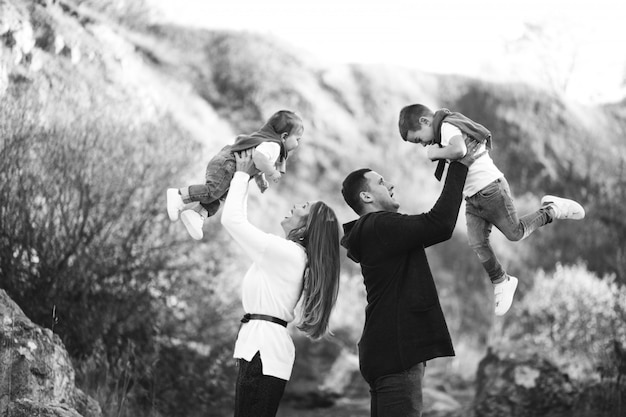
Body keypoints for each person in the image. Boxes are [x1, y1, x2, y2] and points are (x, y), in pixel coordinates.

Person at [398, 104, 585, 316]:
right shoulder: (442, 132)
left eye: (418, 139)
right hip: (472, 198)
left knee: (515, 233)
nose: (422, 144)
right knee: (477, 242)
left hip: (490, 189)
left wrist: (437, 153)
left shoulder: (448, 126)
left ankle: (552, 209)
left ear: (424, 121)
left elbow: (460, 150)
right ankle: (501, 280)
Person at [340, 140, 484, 417]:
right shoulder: (379, 225)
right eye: (381, 182)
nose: (390, 184)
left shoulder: (372, 231)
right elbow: (439, 224)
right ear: (367, 197)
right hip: (396, 351)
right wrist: (460, 164)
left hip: (383, 349)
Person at [222, 149, 341, 417]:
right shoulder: (289, 255)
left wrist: (242, 175)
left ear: (308, 227)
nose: (296, 205)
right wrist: (245, 178)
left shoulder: (287, 254)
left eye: (304, 208)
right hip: (262, 348)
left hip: (263, 350)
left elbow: (232, 221)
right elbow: (238, 222)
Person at [166, 110, 304, 240]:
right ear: (284, 136)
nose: (297, 144)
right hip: (228, 164)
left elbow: (255, 162)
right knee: (212, 191)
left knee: (220, 195)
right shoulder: (275, 146)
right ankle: (179, 195)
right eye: (297, 139)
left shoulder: (268, 143)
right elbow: (259, 157)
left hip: (227, 163)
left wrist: (260, 179)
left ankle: (197, 214)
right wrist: (271, 172)